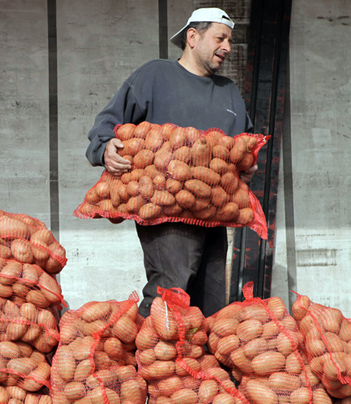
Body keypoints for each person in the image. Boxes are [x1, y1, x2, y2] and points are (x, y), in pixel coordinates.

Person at [85, 8, 257, 318]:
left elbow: (242, 148)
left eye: (230, 40)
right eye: (220, 38)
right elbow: (108, 123)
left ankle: (195, 364)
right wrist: (104, 147)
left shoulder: (229, 93)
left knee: (211, 301)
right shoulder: (155, 75)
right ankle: (148, 361)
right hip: (165, 212)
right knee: (171, 289)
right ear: (193, 37)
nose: (227, 48)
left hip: (212, 212)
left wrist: (247, 164)